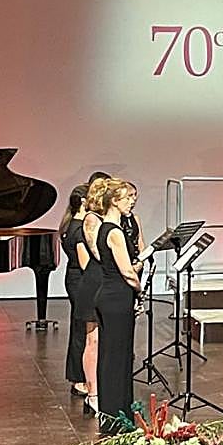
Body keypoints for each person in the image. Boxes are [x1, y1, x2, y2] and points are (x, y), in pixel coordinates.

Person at [94, 179, 143, 430]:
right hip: (117, 298)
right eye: (127, 198)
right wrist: (140, 289)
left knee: (112, 356)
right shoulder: (114, 231)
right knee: (118, 358)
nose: (132, 202)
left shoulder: (104, 228)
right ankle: (117, 416)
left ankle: (114, 414)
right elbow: (127, 272)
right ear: (114, 201)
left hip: (109, 296)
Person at [74, 176, 109, 415]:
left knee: (104, 340)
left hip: (106, 283)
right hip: (94, 284)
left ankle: (103, 389)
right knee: (92, 340)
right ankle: (92, 393)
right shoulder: (90, 220)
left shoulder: (110, 220)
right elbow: (96, 256)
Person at [59, 184, 90, 398]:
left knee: (80, 328)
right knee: (81, 330)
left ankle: (80, 376)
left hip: (74, 279)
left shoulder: (70, 224)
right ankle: (78, 379)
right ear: (84, 202)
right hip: (80, 281)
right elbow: (85, 264)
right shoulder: (78, 229)